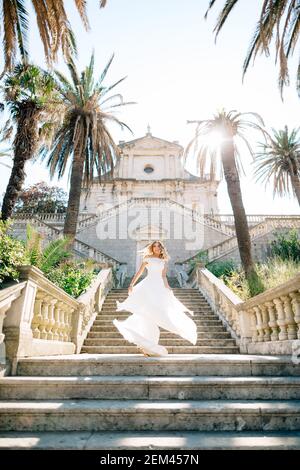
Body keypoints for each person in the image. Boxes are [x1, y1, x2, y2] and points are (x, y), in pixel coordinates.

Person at [113, 240, 197, 357]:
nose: (156, 248)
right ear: (152, 248)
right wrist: (131, 284)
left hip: (159, 287)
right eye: (154, 246)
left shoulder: (164, 261)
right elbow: (139, 272)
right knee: (146, 315)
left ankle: (147, 346)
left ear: (161, 248)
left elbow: (163, 276)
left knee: (157, 315)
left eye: (158, 246)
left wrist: (168, 288)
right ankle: (146, 345)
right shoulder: (147, 258)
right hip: (148, 286)